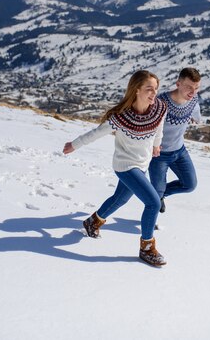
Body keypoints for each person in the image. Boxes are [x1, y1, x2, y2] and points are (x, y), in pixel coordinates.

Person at [62, 70, 168, 267]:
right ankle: (146, 248)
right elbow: (95, 133)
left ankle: (93, 222)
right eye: (149, 89)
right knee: (153, 202)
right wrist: (74, 145)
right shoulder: (120, 118)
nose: (154, 93)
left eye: (156, 89)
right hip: (125, 166)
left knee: (120, 199)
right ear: (136, 90)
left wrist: (156, 144)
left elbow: (159, 128)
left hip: (142, 164)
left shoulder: (159, 109)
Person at [149, 67, 201, 215]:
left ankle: (159, 195)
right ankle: (149, 230)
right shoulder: (160, 103)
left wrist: (194, 119)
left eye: (196, 88)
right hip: (158, 155)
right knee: (155, 197)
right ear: (178, 84)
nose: (193, 91)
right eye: (189, 87)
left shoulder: (193, 100)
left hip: (179, 151)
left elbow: (195, 112)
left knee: (190, 185)